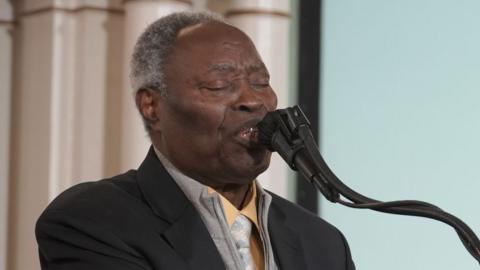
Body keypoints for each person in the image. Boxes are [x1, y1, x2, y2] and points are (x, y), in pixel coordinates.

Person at [36, 12, 355, 270]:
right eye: (219, 85)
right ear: (153, 107)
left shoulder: (323, 243)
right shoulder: (92, 221)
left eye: (261, 82)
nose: (253, 100)